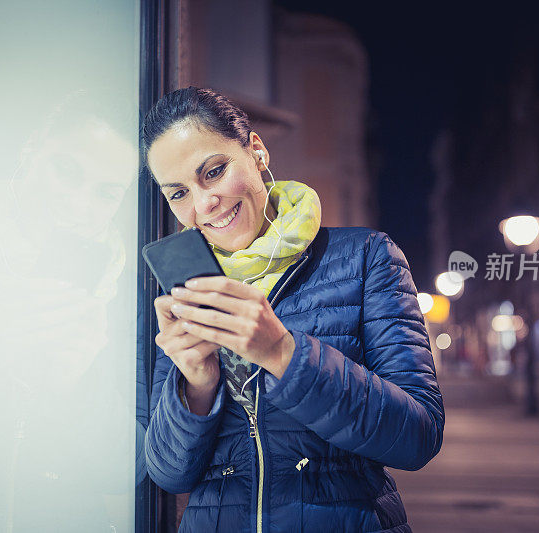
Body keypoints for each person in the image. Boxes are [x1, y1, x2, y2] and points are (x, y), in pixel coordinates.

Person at [143, 86, 444, 532]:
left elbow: (418, 436)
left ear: (257, 152)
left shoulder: (364, 257)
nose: (203, 205)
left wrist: (283, 353)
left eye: (214, 172)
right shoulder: (184, 288)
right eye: (178, 193)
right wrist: (197, 385)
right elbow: (169, 473)